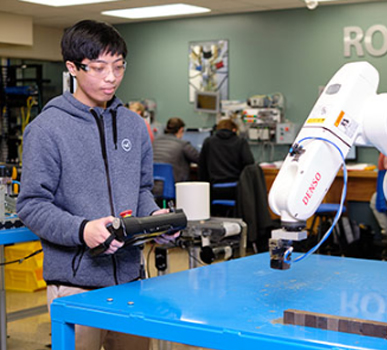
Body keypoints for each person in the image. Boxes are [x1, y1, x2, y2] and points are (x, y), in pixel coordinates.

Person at [16, 19, 177, 350]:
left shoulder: (134, 125)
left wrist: (157, 221)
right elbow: (31, 204)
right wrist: (82, 230)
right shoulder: (46, 129)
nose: (111, 78)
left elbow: (142, 190)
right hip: (76, 285)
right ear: (73, 67)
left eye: (118, 67)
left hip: (131, 283)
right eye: (99, 67)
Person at [198, 119, 255, 202]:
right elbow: (249, 164)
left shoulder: (208, 142)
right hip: (235, 189)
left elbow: (202, 167)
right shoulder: (240, 142)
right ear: (234, 130)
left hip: (215, 189)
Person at [152, 117, 199, 182]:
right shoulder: (183, 145)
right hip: (174, 187)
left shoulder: (154, 142)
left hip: (152, 187)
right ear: (181, 130)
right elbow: (200, 159)